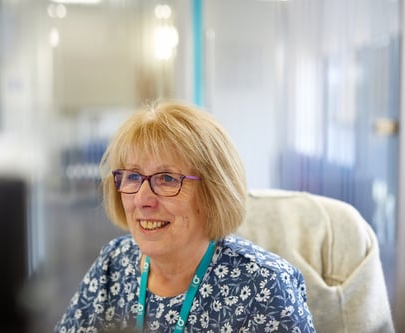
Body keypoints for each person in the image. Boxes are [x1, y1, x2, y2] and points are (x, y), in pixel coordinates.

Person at [54, 100, 316, 333]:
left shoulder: (266, 287)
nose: (142, 200)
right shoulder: (114, 264)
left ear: (212, 190)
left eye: (167, 178)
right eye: (133, 176)